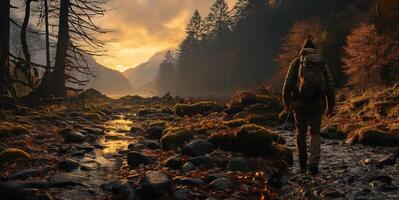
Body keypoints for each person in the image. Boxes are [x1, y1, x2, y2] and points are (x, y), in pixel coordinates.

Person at [282, 38, 335, 175]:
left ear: (303, 48)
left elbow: (287, 85)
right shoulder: (321, 63)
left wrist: (286, 104)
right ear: (314, 49)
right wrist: (330, 106)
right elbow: (330, 85)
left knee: (301, 132)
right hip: (318, 103)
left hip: (300, 103)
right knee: (315, 133)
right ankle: (314, 165)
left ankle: (302, 164)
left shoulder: (298, 62)